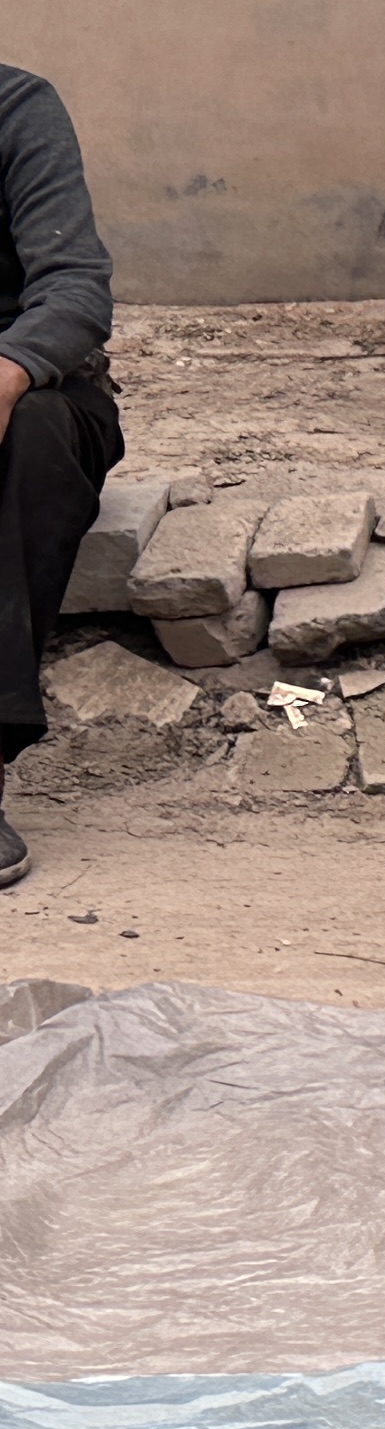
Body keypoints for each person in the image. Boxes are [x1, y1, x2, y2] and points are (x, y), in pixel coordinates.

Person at [0, 65, 120, 889]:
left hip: (38, 388)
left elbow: (76, 286)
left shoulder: (17, 107)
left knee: (33, 439)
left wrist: (10, 370)